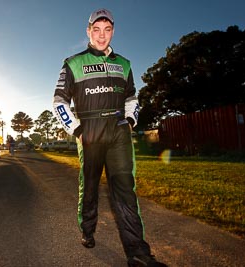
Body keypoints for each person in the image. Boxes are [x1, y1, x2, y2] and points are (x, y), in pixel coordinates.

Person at [52, 8, 167, 267]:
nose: (102, 35)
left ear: (112, 31)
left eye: (107, 30)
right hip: (89, 130)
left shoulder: (124, 63)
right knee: (90, 186)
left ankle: (138, 253)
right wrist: (77, 130)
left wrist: (131, 120)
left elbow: (131, 96)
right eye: (96, 29)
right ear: (88, 31)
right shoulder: (73, 63)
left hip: (118, 130)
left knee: (125, 190)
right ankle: (87, 229)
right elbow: (59, 101)